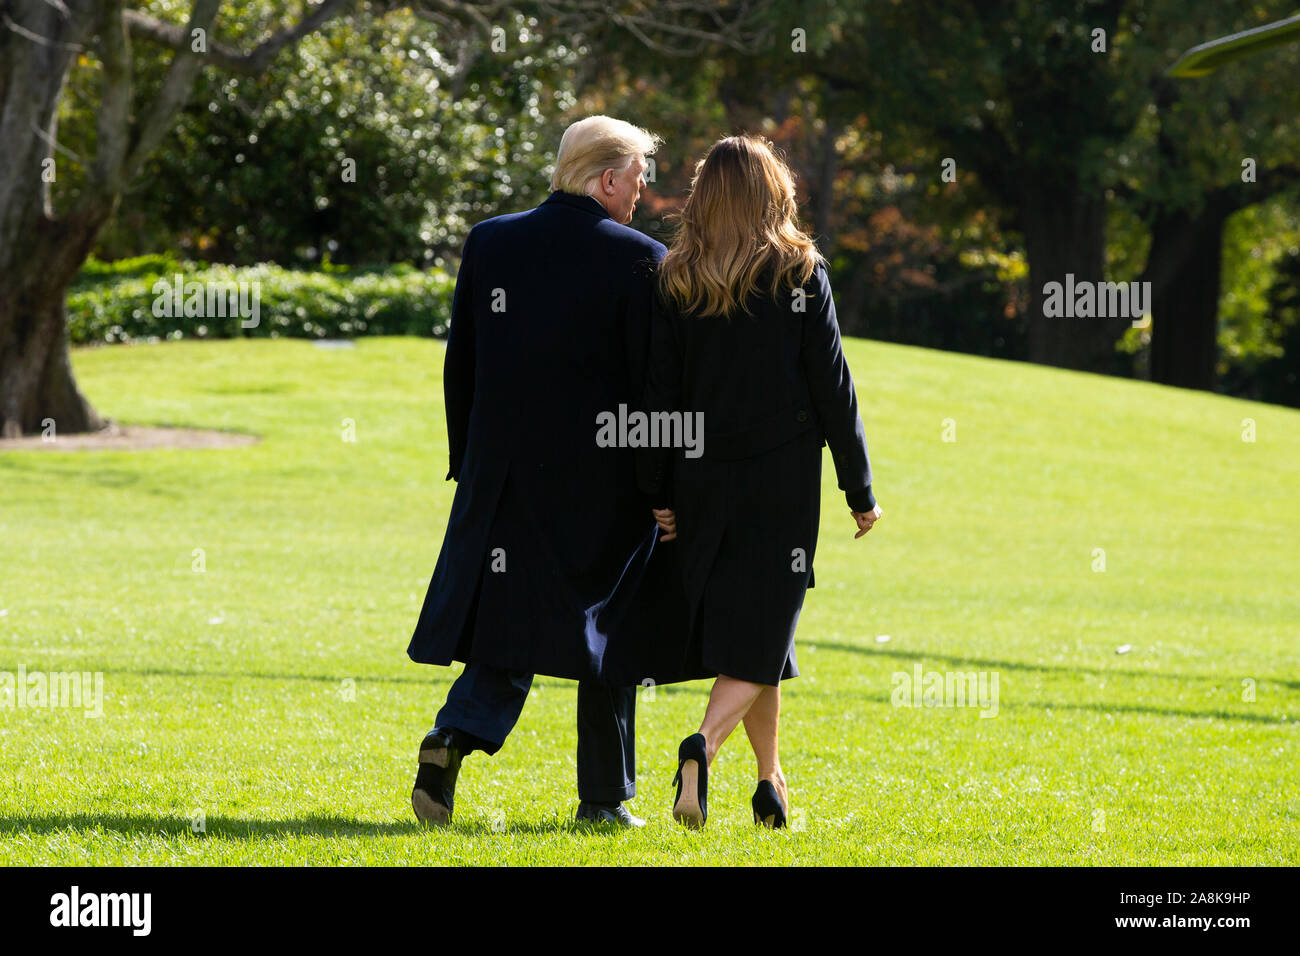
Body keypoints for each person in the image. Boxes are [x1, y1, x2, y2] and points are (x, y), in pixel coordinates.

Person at [406, 115, 675, 828]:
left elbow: (459, 363)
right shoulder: (643, 259)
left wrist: (469, 462)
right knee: (610, 633)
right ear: (608, 178)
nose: (642, 197)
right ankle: (604, 800)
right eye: (639, 181)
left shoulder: (491, 242)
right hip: (603, 486)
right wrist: (659, 488)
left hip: (504, 478)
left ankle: (453, 735)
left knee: (510, 624)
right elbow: (653, 390)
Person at [638, 134, 883, 829]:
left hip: (698, 482)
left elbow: (657, 394)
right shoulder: (800, 274)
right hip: (779, 482)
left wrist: (655, 488)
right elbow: (832, 388)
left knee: (758, 633)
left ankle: (771, 781)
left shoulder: (677, 278)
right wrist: (858, 489)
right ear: (772, 193)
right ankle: (702, 747)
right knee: (763, 630)